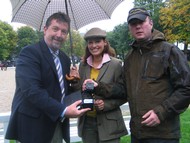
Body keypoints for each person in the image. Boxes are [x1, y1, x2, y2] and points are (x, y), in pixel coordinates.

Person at [83, 7, 190, 143]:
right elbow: (123, 90)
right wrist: (99, 87)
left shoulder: (169, 51)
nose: (138, 26)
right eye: (133, 24)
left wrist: (161, 112)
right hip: (138, 133)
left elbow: (186, 88)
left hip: (163, 134)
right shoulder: (130, 57)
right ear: (130, 28)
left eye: (141, 22)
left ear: (150, 23)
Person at [5, 12, 90, 143]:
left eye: (64, 31)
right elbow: (32, 91)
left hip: (57, 124)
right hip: (33, 127)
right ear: (45, 30)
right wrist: (63, 110)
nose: (59, 35)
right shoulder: (29, 53)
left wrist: (73, 82)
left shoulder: (64, 58)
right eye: (55, 29)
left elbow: (61, 90)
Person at [77, 27, 128, 143]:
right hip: (87, 124)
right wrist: (74, 81)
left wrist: (106, 104)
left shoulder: (116, 65)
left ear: (105, 43)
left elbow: (124, 93)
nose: (94, 45)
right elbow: (79, 92)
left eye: (97, 41)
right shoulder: (82, 66)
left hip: (110, 124)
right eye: (90, 42)